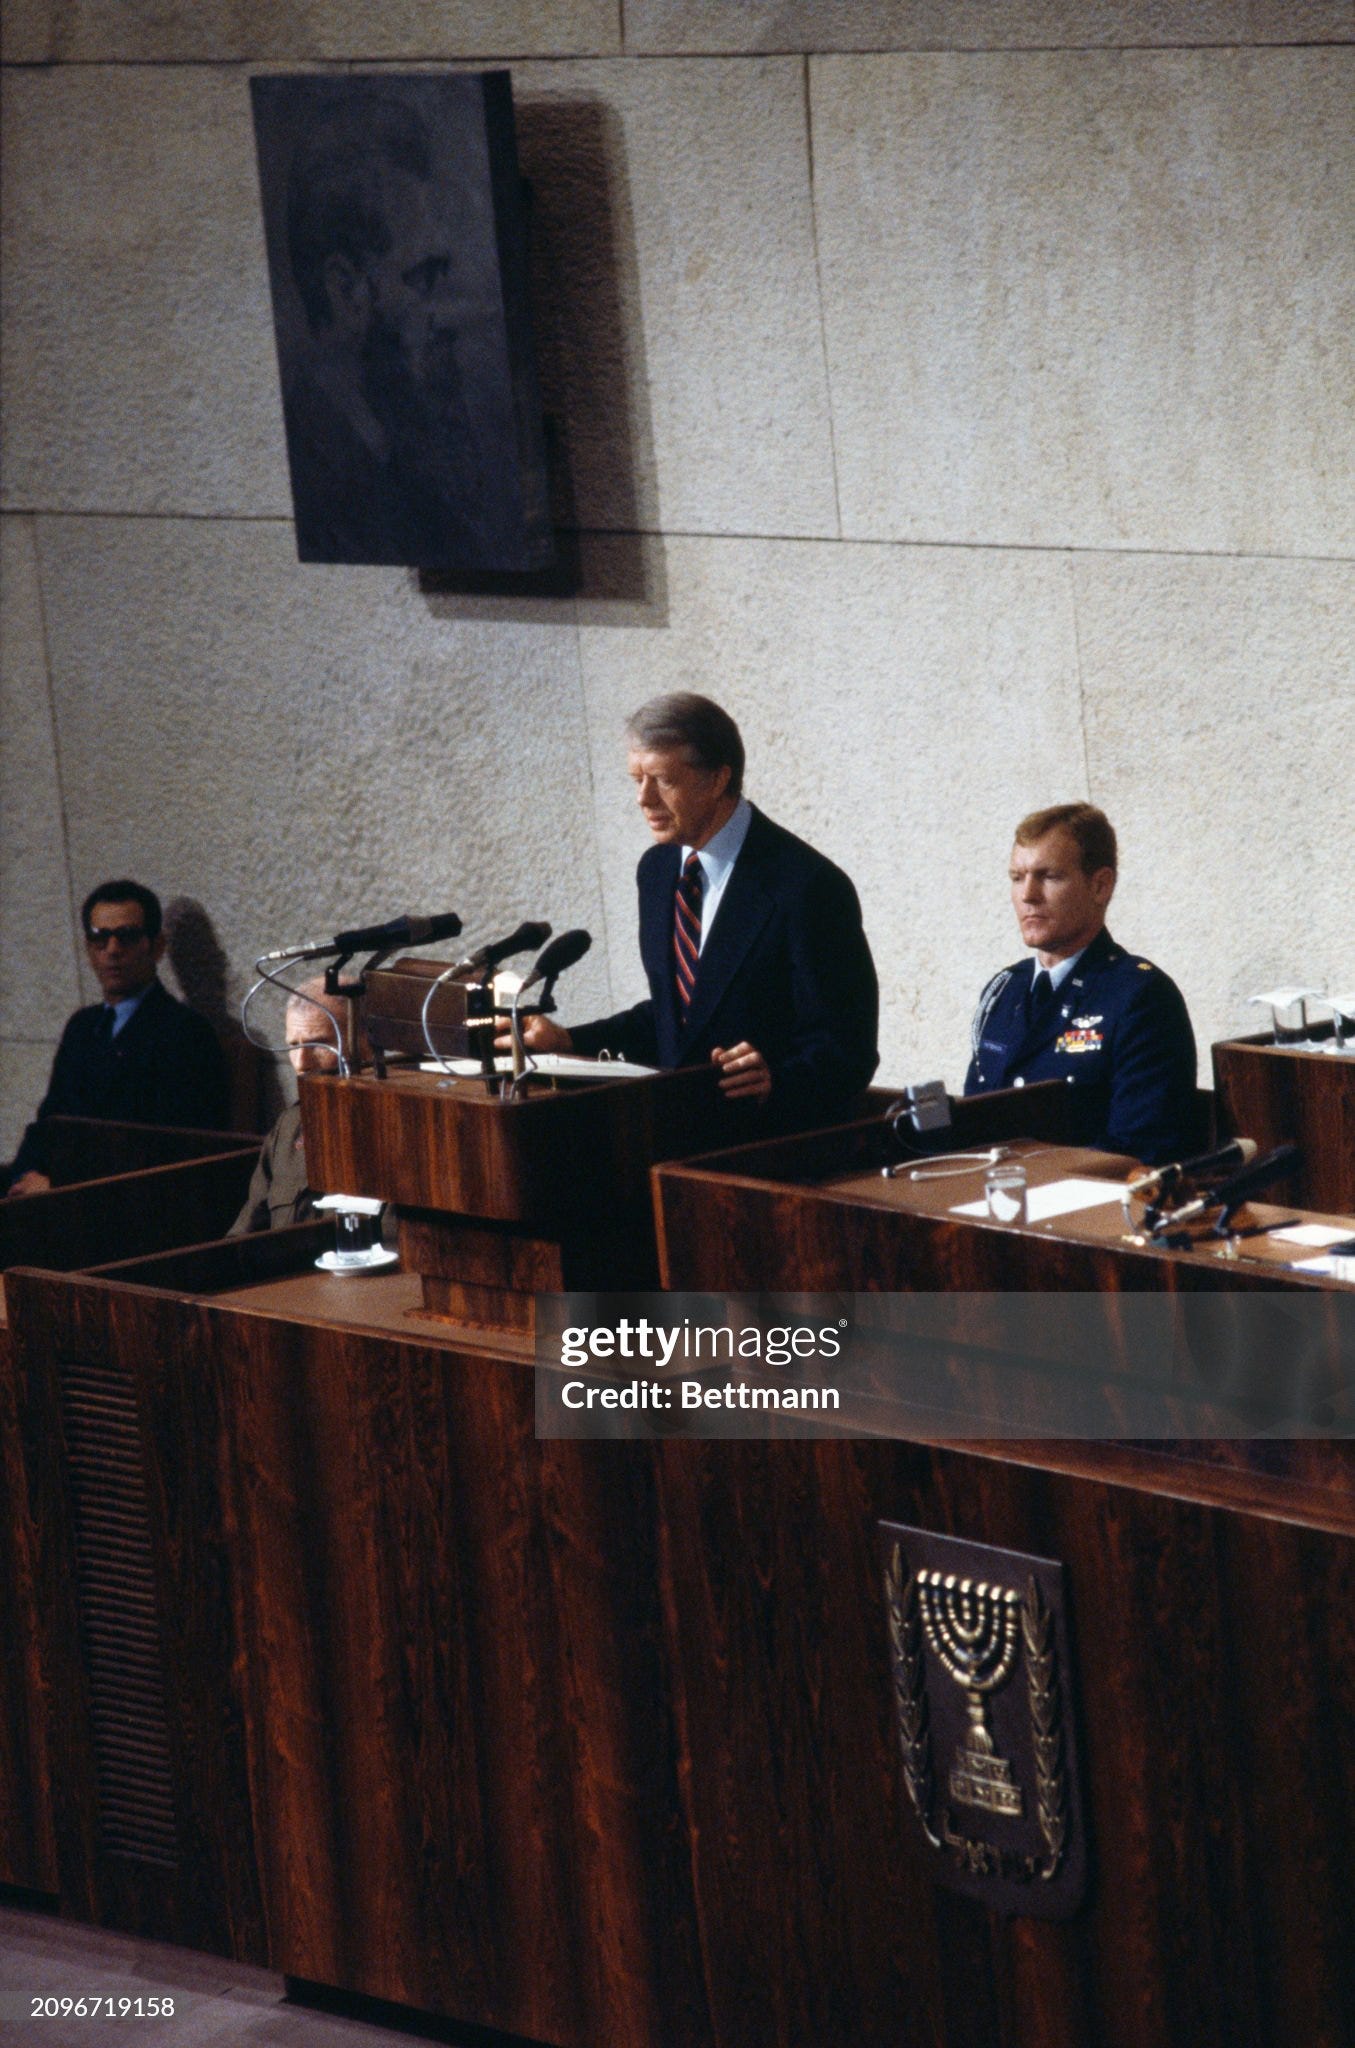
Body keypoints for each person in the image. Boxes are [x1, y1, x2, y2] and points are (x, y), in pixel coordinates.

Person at [511, 693, 879, 1128]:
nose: (643, 800)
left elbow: (848, 1049)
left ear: (718, 778)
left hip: (772, 1152)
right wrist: (569, 1039)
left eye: (662, 780)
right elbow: (679, 1019)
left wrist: (775, 1080)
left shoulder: (807, 886)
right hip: (672, 1143)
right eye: (636, 779)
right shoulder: (658, 871)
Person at [277, 89, 522, 568]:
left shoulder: (389, 445)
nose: (448, 315)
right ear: (346, 290)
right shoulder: (329, 480)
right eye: (423, 277)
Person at [964, 803, 1197, 1165]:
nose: (1028, 895)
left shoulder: (1138, 996)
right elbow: (973, 1127)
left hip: (1088, 1209)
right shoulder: (1003, 990)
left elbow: (1139, 1151)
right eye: (1017, 877)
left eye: (1049, 876)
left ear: (1100, 886)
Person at [4, 880, 232, 1196]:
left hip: (137, 1203)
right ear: (88, 948)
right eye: (100, 938)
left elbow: (176, 1148)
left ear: (156, 946)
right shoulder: (83, 1027)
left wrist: (61, 1185)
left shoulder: (185, 1031)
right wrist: (22, 1177)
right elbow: (48, 1123)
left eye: (126, 936)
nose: (112, 950)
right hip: (66, 1200)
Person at [229, 982, 349, 1234]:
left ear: (364, 1039)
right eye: (294, 1045)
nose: (301, 1063)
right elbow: (246, 1233)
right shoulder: (289, 1126)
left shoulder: (398, 1126)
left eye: (318, 1044)